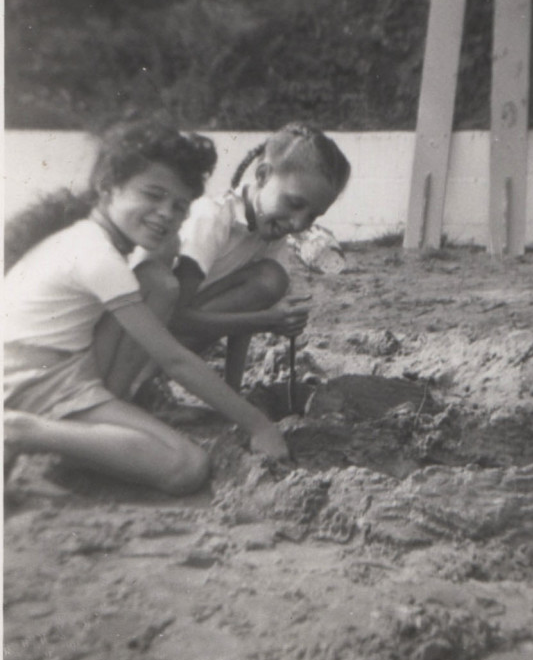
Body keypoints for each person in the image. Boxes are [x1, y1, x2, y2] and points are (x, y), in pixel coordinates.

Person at [4, 120, 289, 495]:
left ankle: (86, 430)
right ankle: (23, 430)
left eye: (179, 206)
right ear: (107, 186)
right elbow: (173, 358)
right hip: (33, 381)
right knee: (186, 466)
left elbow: (159, 280)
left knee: (157, 281)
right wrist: (258, 425)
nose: (165, 213)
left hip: (54, 367)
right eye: (153, 195)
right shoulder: (98, 256)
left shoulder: (87, 238)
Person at [168, 122, 351, 391]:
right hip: (139, 340)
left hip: (174, 342)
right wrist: (268, 320)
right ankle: (145, 384)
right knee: (270, 279)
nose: (299, 223)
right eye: (295, 203)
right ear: (263, 175)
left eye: (312, 215)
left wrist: (233, 390)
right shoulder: (213, 217)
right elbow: (174, 317)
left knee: (273, 278)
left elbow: (247, 311)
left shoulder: (269, 233)